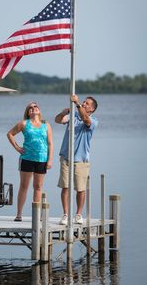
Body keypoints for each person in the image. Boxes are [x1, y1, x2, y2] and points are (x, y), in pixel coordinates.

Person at [55, 94, 98, 225]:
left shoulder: (93, 120)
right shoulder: (73, 115)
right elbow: (57, 120)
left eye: (87, 103)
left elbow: (86, 120)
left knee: (80, 188)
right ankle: (65, 214)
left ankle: (78, 214)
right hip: (66, 157)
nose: (84, 104)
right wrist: (63, 113)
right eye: (84, 102)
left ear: (92, 109)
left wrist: (77, 103)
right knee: (65, 187)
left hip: (81, 160)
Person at [7, 102, 53, 221]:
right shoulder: (24, 124)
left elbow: (50, 143)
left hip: (42, 159)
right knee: (24, 186)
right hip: (27, 158)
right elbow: (10, 134)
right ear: (28, 112)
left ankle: (36, 215)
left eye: (35, 106)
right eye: (30, 108)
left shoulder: (46, 124)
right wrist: (17, 148)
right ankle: (19, 214)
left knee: (38, 186)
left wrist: (50, 160)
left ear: (39, 110)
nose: (33, 108)